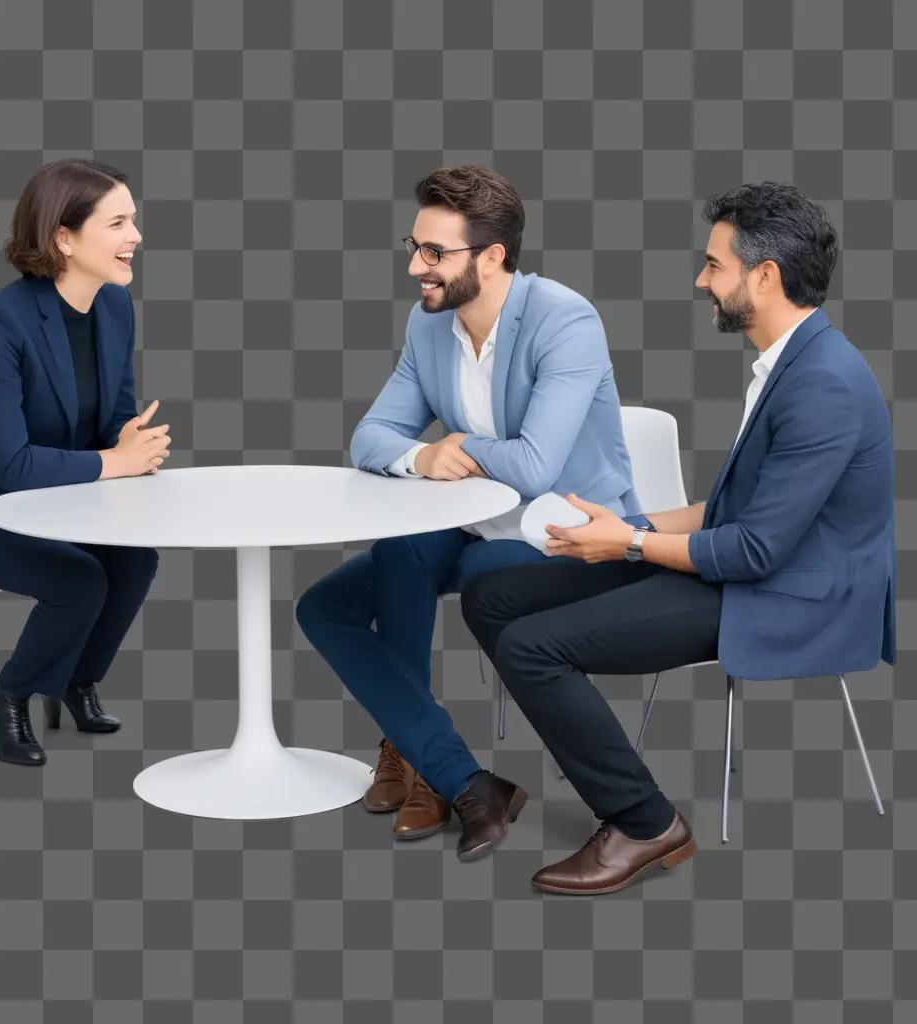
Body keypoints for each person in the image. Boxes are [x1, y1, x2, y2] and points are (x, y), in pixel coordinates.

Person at [461, 181, 896, 895]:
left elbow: (754, 549)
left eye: (714, 265)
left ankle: (644, 823)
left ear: (764, 276)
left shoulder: (823, 384)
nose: (701, 279)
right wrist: (621, 526)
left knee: (530, 648)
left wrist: (625, 547)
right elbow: (730, 506)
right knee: (493, 590)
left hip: (788, 594)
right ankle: (602, 761)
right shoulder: (788, 363)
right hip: (744, 565)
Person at [295, 165, 644, 861]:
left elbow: (538, 464)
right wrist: (420, 460)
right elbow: (369, 438)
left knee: (476, 569)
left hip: (569, 532)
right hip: (471, 521)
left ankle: (416, 764)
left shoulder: (563, 319)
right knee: (329, 602)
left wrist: (458, 444)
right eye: (414, 246)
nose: (415, 267)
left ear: (492, 257)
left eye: (435, 253)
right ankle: (461, 780)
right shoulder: (429, 328)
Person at [0, 159, 172, 767]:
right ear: (64, 236)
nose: (135, 236)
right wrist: (115, 462)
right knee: (80, 580)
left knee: (136, 559)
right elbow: (12, 467)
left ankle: (76, 681)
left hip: (62, 505)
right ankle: (7, 697)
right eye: (118, 223)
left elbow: (112, 416)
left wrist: (128, 439)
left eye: (133, 220)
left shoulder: (114, 307)